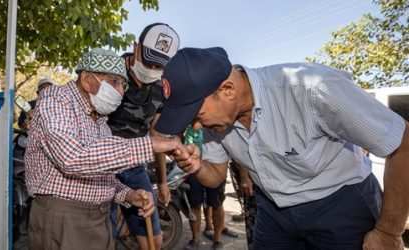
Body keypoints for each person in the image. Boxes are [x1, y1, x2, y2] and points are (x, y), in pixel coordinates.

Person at [156, 47, 409, 249]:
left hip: (340, 204)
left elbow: (403, 143)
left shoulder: (312, 88)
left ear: (227, 90)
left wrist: (388, 232)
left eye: (198, 115)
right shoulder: (216, 122)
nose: (197, 128)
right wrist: (197, 166)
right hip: (273, 211)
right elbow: (216, 177)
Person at [24, 48, 187, 250]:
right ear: (87, 79)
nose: (121, 91)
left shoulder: (101, 122)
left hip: (99, 221)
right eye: (115, 82)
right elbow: (72, 158)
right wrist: (152, 144)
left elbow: (101, 176)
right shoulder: (56, 100)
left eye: (123, 84)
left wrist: (128, 195)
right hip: (64, 220)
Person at [107, 23, 179, 249]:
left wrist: (163, 182)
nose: (153, 68)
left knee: (153, 241)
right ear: (136, 47)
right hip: (102, 167)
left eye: (160, 66)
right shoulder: (109, 73)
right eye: (149, 61)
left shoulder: (160, 88)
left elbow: (156, 134)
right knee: (103, 236)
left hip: (135, 167)